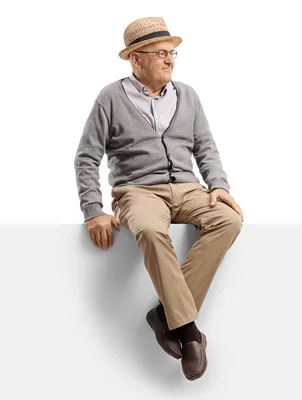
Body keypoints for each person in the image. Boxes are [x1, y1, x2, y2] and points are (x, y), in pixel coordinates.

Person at [74, 17, 243, 379]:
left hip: (187, 188)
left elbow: (206, 148)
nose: (170, 60)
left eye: (172, 53)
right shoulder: (110, 97)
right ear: (136, 59)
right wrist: (94, 210)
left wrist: (219, 186)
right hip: (136, 189)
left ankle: (166, 315)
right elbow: (87, 156)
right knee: (150, 230)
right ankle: (188, 332)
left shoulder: (188, 95)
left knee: (228, 220)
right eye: (161, 53)